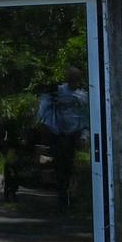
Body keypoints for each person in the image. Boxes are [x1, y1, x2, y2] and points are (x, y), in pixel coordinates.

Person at [36, 66, 89, 210]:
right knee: (61, 164)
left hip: (74, 134)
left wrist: (84, 135)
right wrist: (41, 122)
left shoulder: (83, 96)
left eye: (75, 79)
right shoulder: (57, 93)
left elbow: (86, 117)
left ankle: (66, 192)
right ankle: (61, 192)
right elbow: (44, 107)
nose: (73, 81)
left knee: (69, 164)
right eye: (71, 78)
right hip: (58, 133)